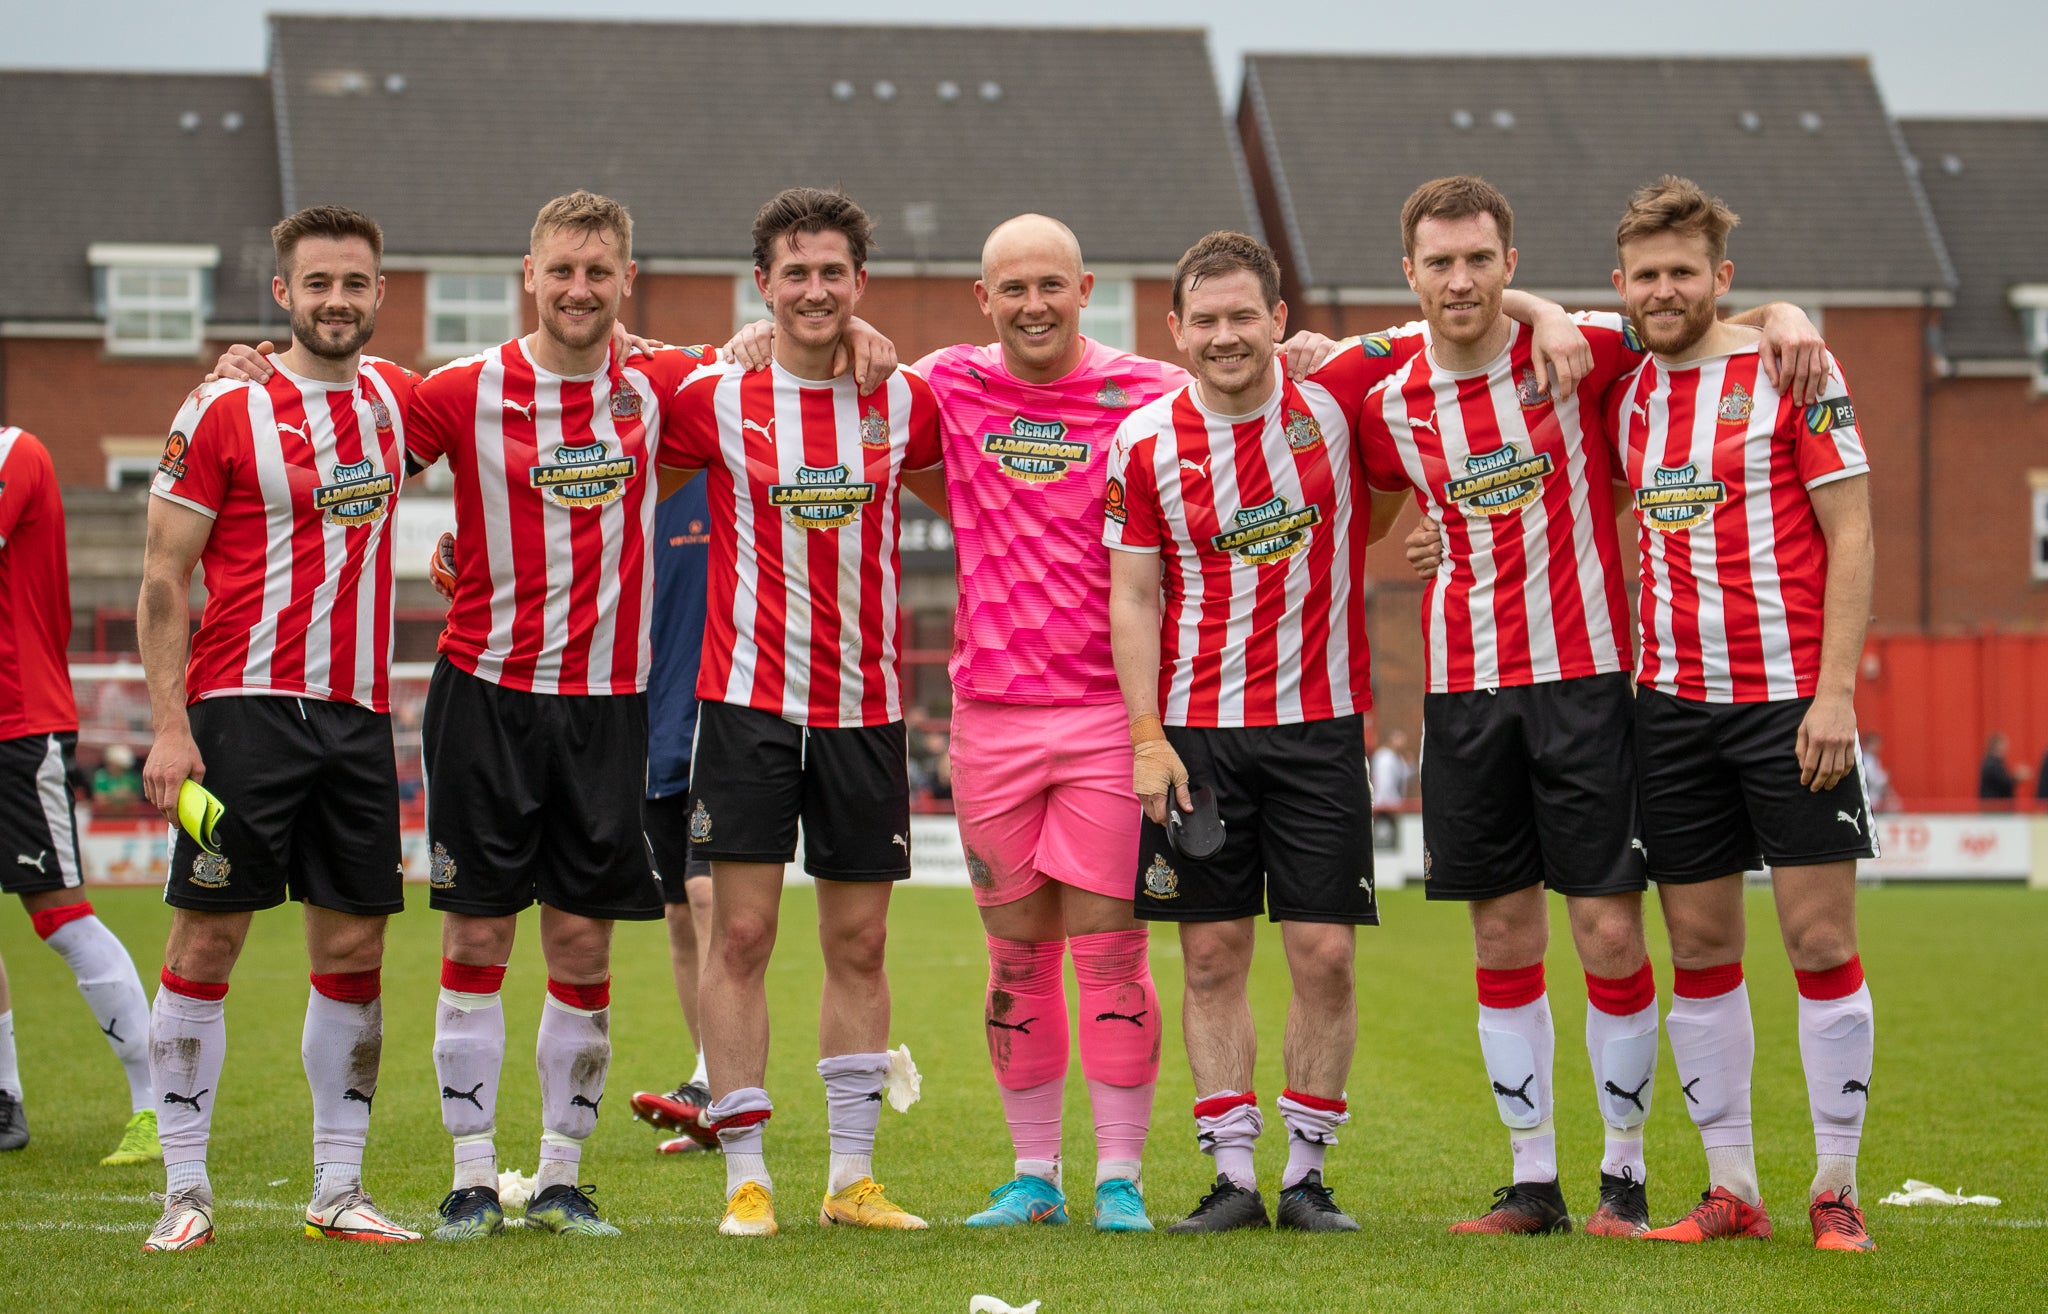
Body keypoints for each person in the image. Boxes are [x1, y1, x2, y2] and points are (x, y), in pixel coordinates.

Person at [1364, 175, 1827, 1238]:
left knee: (1612, 934)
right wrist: (1417, 531)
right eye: (1438, 261)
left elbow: (1695, 322)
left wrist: (1786, 315)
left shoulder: (1581, 350)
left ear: (1510, 264)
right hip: (1460, 697)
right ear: (1409, 274)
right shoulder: (1382, 392)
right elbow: (1326, 427)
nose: (1460, 278)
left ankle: (1622, 1178)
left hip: (1582, 686)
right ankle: (1532, 1183)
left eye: (1480, 258)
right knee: (1498, 937)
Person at [402, 191, 743, 1242]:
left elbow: (769, 363)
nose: (579, 289)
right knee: (475, 930)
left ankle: (558, 1178)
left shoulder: (662, 384)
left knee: (584, 946)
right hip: (484, 698)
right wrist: (250, 370)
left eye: (598, 271)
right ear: (529, 273)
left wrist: (829, 330)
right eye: (562, 270)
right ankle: (468, 1178)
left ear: (625, 281)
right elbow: (346, 426)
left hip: (608, 709)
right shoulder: (461, 391)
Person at [1104, 231, 1413, 1233]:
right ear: (1175, 332)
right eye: (1206, 320)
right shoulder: (1143, 441)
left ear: (1280, 320)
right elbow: (1133, 597)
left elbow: (1466, 326)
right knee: (1210, 957)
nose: (1226, 335)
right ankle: (1232, 1174)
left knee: (1323, 953)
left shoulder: (1338, 404)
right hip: (1196, 736)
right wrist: (1145, 735)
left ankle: (1306, 1173)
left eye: (1245, 315)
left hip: (1318, 726)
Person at [661, 187, 946, 1238]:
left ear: (859, 284)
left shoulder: (905, 400)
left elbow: (989, 496)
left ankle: (849, 1179)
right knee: (737, 934)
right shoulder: (714, 396)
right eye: (797, 273)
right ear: (764, 285)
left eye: (834, 273)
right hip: (744, 707)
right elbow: (598, 386)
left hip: (865, 712)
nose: (816, 289)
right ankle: (745, 1174)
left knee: (860, 944)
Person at [135, 207, 419, 1250]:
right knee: (207, 938)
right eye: (318, 284)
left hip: (355, 720)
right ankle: (184, 1191)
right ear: (282, 294)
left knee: (353, 946)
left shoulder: (397, 403)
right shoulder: (222, 406)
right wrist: (171, 729)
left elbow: (530, 387)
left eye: (355, 283)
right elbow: (163, 577)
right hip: (240, 715)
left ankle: (337, 1191)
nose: (337, 301)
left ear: (379, 295)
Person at [1608, 177, 1879, 1252]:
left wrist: (1835, 694)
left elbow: (1852, 534)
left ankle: (1832, 1186)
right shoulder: (1625, 394)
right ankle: (1732, 1189)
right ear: (1619, 285)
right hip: (1668, 711)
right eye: (1645, 274)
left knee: (1817, 941)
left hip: (1788, 706)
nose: (1663, 290)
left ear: (1719, 278)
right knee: (1700, 945)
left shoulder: (1790, 369)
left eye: (1683, 272)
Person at [1, 424, 159, 1166]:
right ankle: (5, 1099)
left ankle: (154, 1104)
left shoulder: (15, 451)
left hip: (18, 724)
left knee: (59, 914)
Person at [626, 478, 723, 1155]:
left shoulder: (721, 474)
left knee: (707, 890)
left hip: (718, 719)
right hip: (647, 726)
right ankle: (707, 1082)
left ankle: (714, 1082)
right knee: (679, 915)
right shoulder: (624, 483)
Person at [1369, 730, 1413, 810]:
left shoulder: (1397, 757)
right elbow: (1384, 782)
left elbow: (1403, 776)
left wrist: (1410, 765)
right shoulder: (1384, 756)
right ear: (1392, 740)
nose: (1402, 744)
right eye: (1399, 740)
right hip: (1384, 803)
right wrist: (1386, 804)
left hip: (1394, 802)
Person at [1978, 733, 2017, 804]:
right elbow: (2003, 781)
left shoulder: (1995, 762)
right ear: (1997, 746)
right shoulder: (1992, 763)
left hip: (1996, 806)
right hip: (1994, 806)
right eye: (2004, 745)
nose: (2007, 748)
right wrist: (2016, 777)